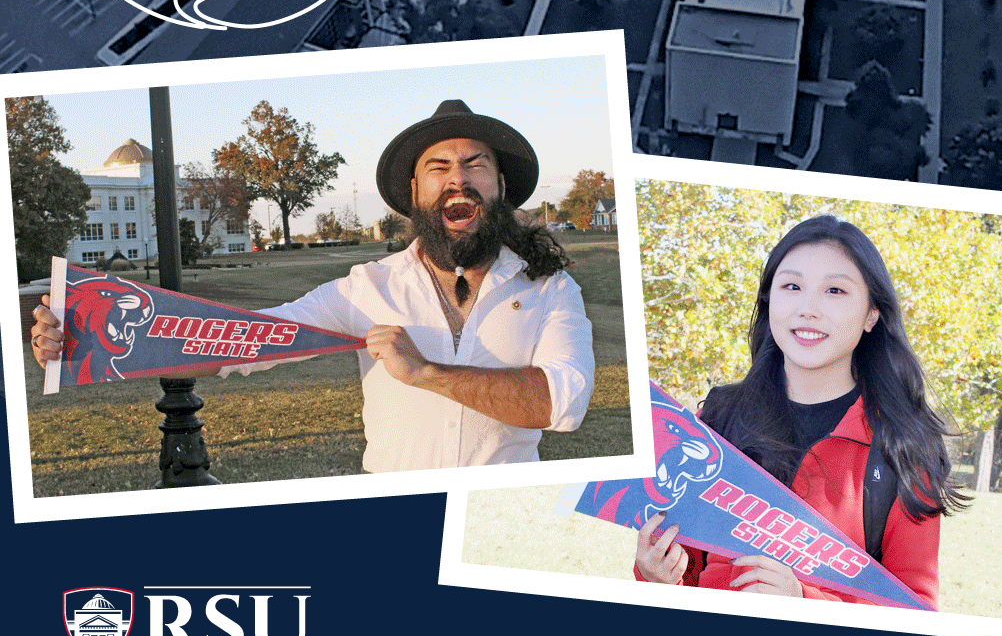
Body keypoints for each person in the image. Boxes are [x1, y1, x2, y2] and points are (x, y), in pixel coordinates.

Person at [31, 100, 595, 472]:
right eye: (438, 166)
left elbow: (561, 402)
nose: (458, 178)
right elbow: (246, 342)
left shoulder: (548, 288)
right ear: (415, 189)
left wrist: (425, 373)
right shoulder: (365, 288)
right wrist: (80, 332)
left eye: (475, 164)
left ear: (499, 184)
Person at [635, 215, 966, 608]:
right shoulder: (719, 418)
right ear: (769, 300)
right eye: (792, 286)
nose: (808, 308)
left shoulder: (904, 446)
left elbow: (917, 609)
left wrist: (806, 603)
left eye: (835, 291)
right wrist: (655, 573)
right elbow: (685, 571)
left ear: (871, 314)